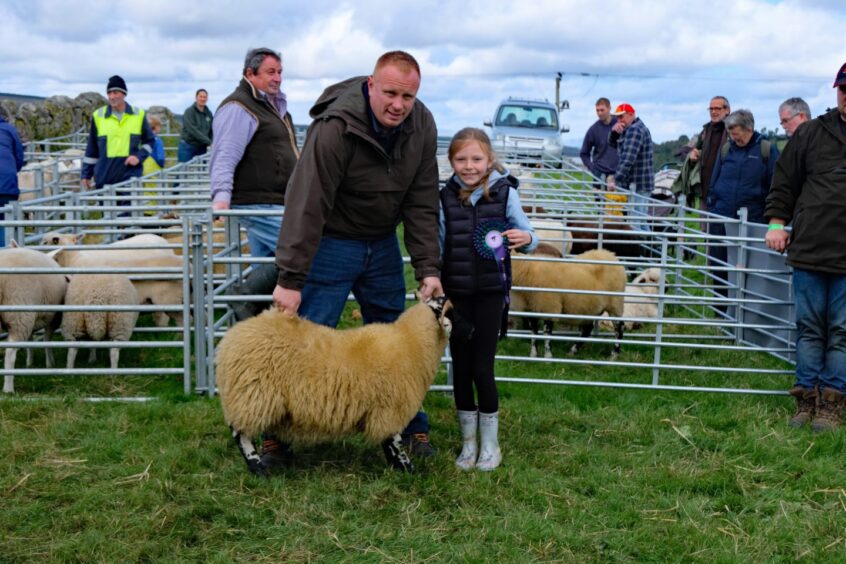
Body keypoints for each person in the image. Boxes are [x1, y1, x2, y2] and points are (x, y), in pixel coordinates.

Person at [273, 51, 442, 469]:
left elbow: (422, 201)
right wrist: (291, 278)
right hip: (332, 241)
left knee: (400, 342)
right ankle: (277, 429)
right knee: (308, 336)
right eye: (390, 93)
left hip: (382, 243)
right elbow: (306, 201)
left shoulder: (421, 125)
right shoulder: (335, 128)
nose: (398, 104)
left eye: (408, 95)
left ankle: (406, 425)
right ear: (371, 84)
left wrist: (428, 268)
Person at [439, 128, 537, 471]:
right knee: (460, 370)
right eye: (461, 159)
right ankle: (468, 444)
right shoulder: (445, 197)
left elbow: (528, 233)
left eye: (476, 159)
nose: (469, 166)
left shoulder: (504, 192)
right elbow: (439, 242)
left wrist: (525, 236)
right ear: (451, 162)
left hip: (491, 293)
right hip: (457, 295)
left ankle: (491, 445)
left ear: (489, 159)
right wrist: (435, 281)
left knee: (482, 366)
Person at [765, 61, 846, 432]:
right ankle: (806, 400)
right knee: (810, 327)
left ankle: (832, 403)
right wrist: (778, 223)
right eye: (844, 89)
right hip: (812, 246)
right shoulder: (811, 133)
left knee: (843, 330)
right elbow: (785, 181)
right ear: (836, 91)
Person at [209, 48, 299, 321]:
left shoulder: (271, 106)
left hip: (274, 200)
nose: (278, 78)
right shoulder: (239, 107)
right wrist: (221, 197)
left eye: (280, 72)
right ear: (250, 73)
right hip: (257, 201)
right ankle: (244, 295)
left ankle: (252, 327)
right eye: (271, 72)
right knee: (300, 252)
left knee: (268, 263)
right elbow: (225, 154)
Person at [707, 109, 779, 314]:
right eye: (729, 130)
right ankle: (720, 312)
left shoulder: (766, 150)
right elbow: (715, 179)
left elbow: (776, 183)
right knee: (719, 264)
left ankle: (746, 314)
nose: (731, 134)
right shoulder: (727, 149)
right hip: (722, 217)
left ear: (749, 128)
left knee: (748, 268)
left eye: (734, 130)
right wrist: (714, 205)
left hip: (752, 221)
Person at [81, 75, 155, 207]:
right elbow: (92, 148)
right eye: (109, 93)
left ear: (124, 94)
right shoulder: (98, 116)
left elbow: (149, 141)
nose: (111, 96)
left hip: (129, 174)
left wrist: (138, 157)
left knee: (127, 219)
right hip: (105, 176)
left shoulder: (138, 115)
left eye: (115, 92)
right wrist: (86, 174)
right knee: (109, 222)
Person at [607, 103, 654, 230]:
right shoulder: (633, 128)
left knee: (635, 223)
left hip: (637, 184)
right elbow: (612, 144)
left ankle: (643, 248)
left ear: (631, 114)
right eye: (617, 118)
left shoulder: (634, 130)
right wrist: (614, 132)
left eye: (621, 116)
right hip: (641, 183)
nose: (619, 120)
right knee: (641, 220)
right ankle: (652, 248)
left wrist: (616, 180)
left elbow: (628, 159)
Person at [687, 96, 731, 212]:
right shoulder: (706, 130)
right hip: (705, 189)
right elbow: (688, 149)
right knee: (703, 228)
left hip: (725, 191)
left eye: (717, 108)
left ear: (727, 110)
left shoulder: (733, 130)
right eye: (711, 109)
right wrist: (692, 154)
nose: (713, 112)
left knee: (721, 227)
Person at [579, 97, 618, 191]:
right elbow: (584, 153)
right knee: (599, 204)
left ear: (609, 108)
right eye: (597, 110)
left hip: (617, 173)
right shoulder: (593, 130)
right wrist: (593, 168)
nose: (599, 113)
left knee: (618, 204)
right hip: (599, 173)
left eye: (602, 110)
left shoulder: (619, 125)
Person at [0, 106, 24, 247]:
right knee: (6, 223)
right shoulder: (10, 129)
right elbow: (19, 157)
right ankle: (6, 261)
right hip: (7, 186)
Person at [178, 89, 213, 162]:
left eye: (205, 97)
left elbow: (211, 129)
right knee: (183, 169)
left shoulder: (208, 114)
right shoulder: (189, 112)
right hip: (188, 145)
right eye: (201, 96)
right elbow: (192, 130)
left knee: (201, 170)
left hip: (202, 146)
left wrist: (212, 141)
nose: (203, 99)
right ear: (196, 97)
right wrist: (209, 142)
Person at [142, 116, 166, 213]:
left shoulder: (144, 139)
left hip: (145, 164)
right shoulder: (157, 140)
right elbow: (160, 156)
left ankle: (145, 210)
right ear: (156, 127)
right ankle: (153, 212)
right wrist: (162, 164)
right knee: (155, 189)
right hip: (154, 166)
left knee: (147, 188)